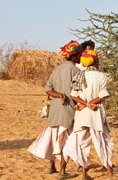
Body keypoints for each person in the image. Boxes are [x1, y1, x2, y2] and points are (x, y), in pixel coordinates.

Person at [28, 40, 83, 179]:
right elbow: (78, 92)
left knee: (54, 138)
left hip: (55, 110)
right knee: (65, 140)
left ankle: (51, 166)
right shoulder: (76, 71)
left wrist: (58, 95)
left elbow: (48, 90)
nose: (81, 58)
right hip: (68, 110)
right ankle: (62, 172)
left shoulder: (57, 69)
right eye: (79, 55)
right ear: (74, 56)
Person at [62, 45, 115, 179]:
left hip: (82, 115)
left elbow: (73, 95)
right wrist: (91, 104)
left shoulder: (80, 75)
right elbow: (103, 95)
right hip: (96, 114)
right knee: (104, 142)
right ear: (95, 61)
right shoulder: (101, 76)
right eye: (97, 59)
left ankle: (84, 173)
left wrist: (85, 104)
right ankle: (109, 173)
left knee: (82, 144)